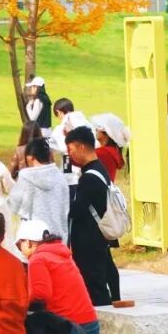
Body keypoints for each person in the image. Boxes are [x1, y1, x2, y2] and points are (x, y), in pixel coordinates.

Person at [16, 218, 100, 334]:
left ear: (29, 242)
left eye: (20, 245)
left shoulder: (38, 259)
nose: (21, 250)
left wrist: (19, 304)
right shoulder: (62, 255)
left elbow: (40, 296)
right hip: (91, 331)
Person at [66, 126, 120, 307]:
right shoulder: (100, 169)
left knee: (94, 286)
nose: (69, 154)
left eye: (71, 149)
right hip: (98, 237)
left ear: (81, 147)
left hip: (89, 240)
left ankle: (101, 324)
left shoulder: (89, 177)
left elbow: (78, 210)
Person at [7, 136, 70, 240]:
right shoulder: (61, 177)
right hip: (58, 237)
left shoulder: (26, 176)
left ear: (30, 158)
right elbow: (65, 209)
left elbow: (13, 206)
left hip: (33, 238)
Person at [49, 100, 88, 174]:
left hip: (68, 167)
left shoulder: (59, 129)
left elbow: (52, 149)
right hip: (86, 168)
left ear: (58, 112)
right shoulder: (85, 124)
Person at [92, 115, 128, 182]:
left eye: (99, 127)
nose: (96, 129)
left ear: (107, 133)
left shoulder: (103, 152)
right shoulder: (111, 151)